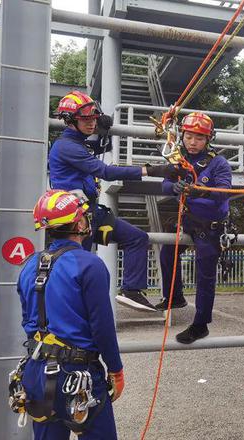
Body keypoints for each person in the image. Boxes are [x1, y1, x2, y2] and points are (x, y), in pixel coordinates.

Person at [50, 90, 186, 312]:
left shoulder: (79, 143)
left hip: (90, 214)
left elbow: (101, 149)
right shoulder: (66, 147)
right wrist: (152, 170)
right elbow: (105, 171)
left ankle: (132, 290)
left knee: (137, 238)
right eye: (86, 119)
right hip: (73, 221)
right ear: (69, 120)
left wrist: (103, 132)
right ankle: (68, 316)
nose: (92, 123)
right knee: (77, 268)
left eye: (94, 118)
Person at [15, 190, 124, 439]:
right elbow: (102, 326)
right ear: (79, 223)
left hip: (37, 370)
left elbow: (27, 319)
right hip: (78, 372)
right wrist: (115, 370)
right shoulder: (89, 264)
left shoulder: (30, 264)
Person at [157, 112, 233, 344]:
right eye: (189, 136)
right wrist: (175, 188)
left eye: (199, 138)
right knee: (167, 251)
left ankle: (200, 324)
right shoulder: (179, 161)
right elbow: (165, 184)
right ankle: (175, 296)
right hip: (188, 219)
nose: (193, 142)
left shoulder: (218, 163)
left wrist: (199, 190)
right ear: (183, 135)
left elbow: (223, 194)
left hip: (210, 224)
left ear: (208, 139)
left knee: (205, 274)